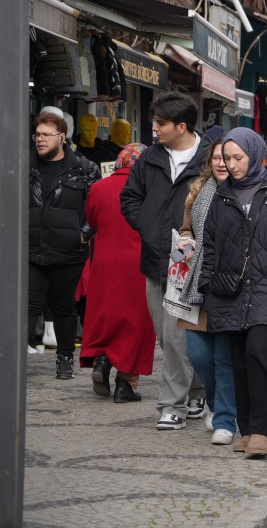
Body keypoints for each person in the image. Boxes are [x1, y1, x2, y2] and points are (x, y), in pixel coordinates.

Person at [198, 128, 267, 458]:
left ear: (255, 154)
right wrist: (207, 285)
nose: (231, 165)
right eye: (227, 158)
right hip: (229, 291)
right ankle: (246, 429)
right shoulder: (221, 196)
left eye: (238, 158)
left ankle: (263, 431)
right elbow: (211, 244)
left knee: (259, 352)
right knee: (238, 360)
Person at [120, 92, 209, 430]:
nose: (153, 128)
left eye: (160, 123)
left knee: (178, 337)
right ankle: (199, 390)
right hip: (156, 259)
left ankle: (173, 405)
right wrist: (147, 227)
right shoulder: (150, 158)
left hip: (193, 263)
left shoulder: (208, 158)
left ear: (181, 126)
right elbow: (130, 197)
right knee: (166, 335)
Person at [29, 111, 100, 377]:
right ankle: (13, 361)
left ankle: (65, 358)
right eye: (37, 134)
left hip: (68, 250)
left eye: (46, 134)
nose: (40, 139)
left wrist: (82, 234)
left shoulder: (84, 168)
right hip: (30, 248)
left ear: (62, 136)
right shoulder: (25, 163)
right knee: (27, 304)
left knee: (63, 307)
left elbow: (96, 208)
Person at [81, 143, 155, 402]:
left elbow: (92, 221)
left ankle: (102, 359)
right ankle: (126, 383)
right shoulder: (150, 191)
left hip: (103, 261)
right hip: (138, 262)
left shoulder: (98, 188)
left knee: (106, 314)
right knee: (136, 321)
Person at [177, 137, 238, 445]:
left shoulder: (245, 191)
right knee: (199, 354)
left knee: (224, 356)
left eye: (225, 157)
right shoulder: (198, 191)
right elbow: (187, 228)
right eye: (215, 157)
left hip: (229, 287)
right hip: (196, 285)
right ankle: (217, 405)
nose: (219, 162)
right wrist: (185, 241)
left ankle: (227, 418)